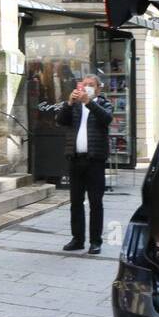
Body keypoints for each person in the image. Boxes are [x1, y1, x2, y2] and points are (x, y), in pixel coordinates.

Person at [57, 74, 112, 255]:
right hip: (76, 159)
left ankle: (95, 241)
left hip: (95, 160)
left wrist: (89, 102)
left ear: (98, 88)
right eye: (84, 84)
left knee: (96, 202)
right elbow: (61, 121)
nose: (87, 87)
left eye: (91, 85)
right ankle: (77, 239)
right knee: (76, 202)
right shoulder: (75, 106)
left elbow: (106, 119)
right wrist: (69, 103)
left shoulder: (103, 104)